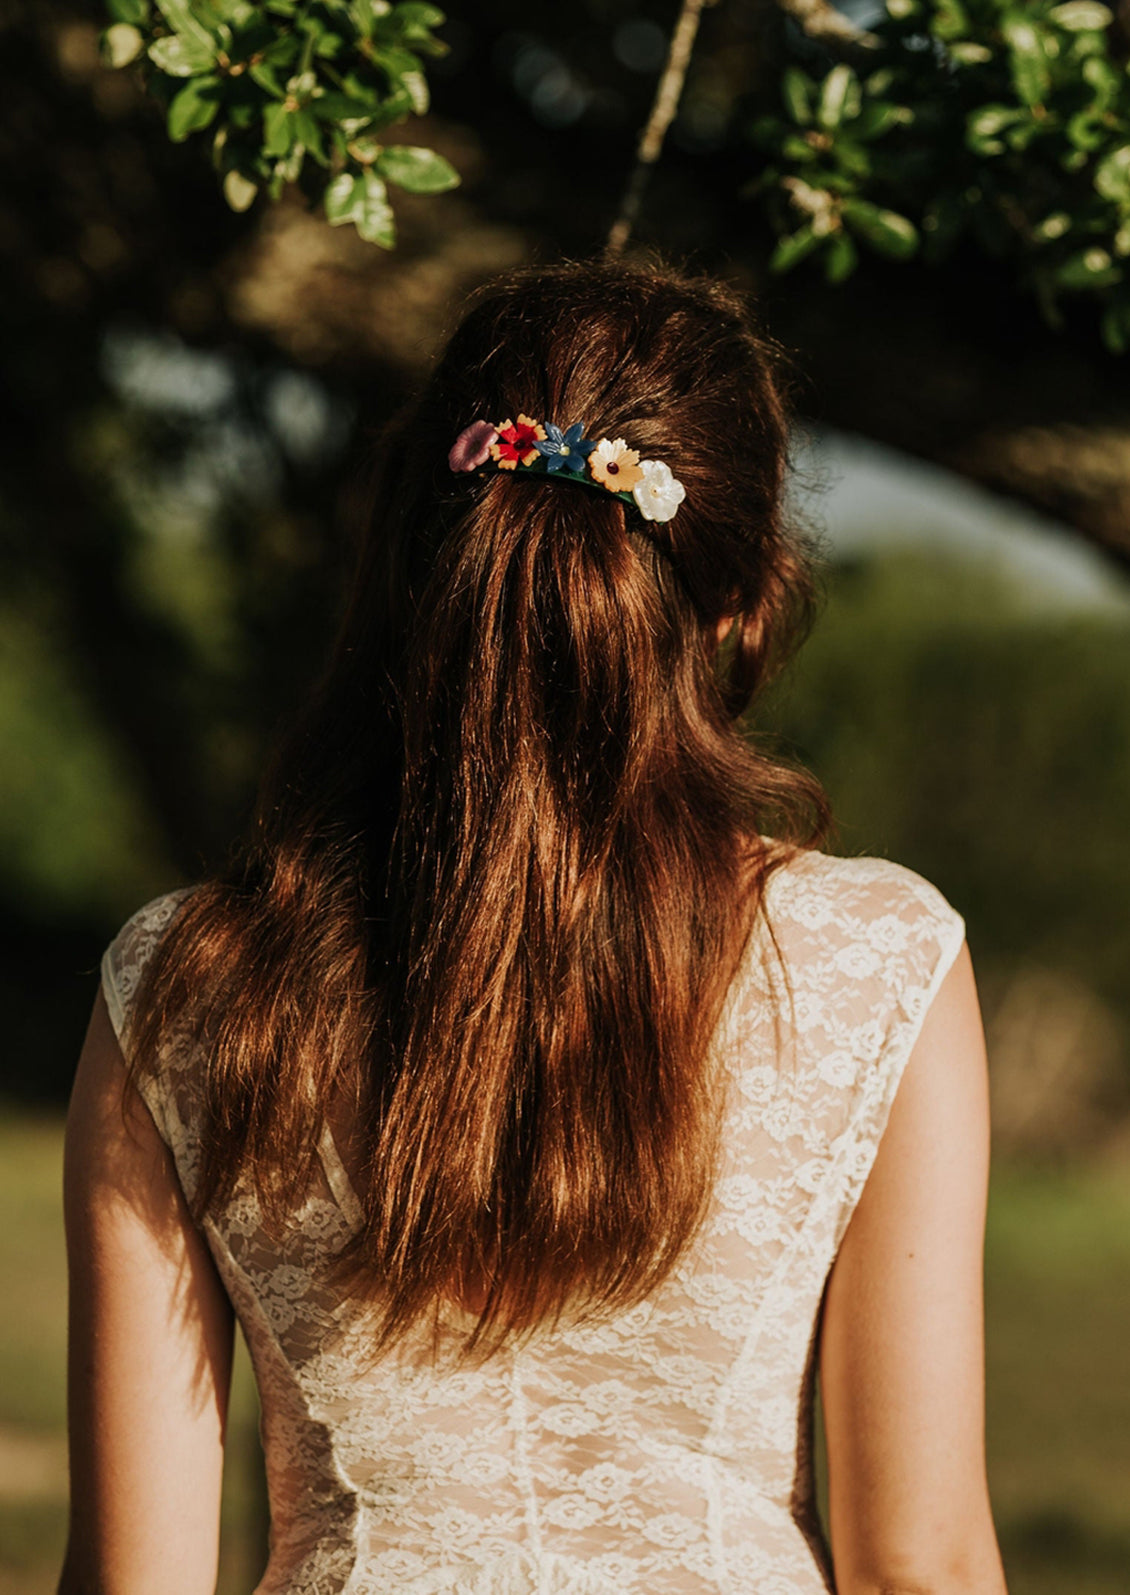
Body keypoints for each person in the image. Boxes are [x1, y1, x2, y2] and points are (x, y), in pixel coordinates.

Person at [60, 259, 1008, 1595]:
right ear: (741, 604)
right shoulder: (876, 963)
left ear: (405, 565)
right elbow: (918, 1563)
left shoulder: (191, 980)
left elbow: (130, 1584)